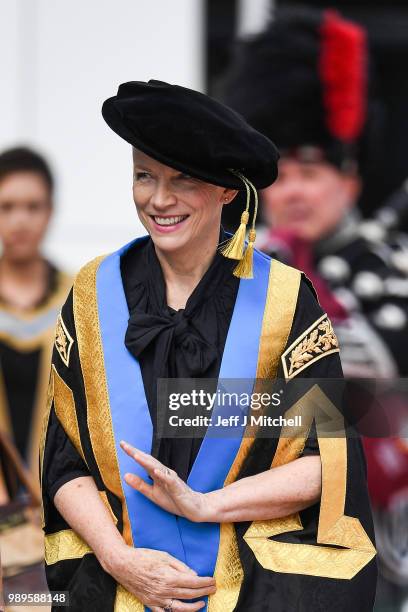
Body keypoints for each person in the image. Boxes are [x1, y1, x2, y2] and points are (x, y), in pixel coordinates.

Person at [40, 80, 376, 611]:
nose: (158, 199)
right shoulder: (91, 296)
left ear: (227, 191)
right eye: (144, 176)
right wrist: (119, 558)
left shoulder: (285, 305)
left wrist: (204, 505)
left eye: (183, 180)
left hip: (249, 590)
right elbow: (63, 458)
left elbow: (327, 459)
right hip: (115, 585)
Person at [222, 7, 408, 610]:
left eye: (311, 171)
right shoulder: (232, 271)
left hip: (382, 545)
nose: (293, 191)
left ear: (350, 180)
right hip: (257, 547)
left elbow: (379, 413)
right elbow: (190, 409)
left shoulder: (394, 276)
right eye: (281, 176)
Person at [0, 147, 71, 482]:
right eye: (7, 207)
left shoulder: (78, 299)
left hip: (61, 501)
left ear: (50, 211)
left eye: (33, 207)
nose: (20, 221)